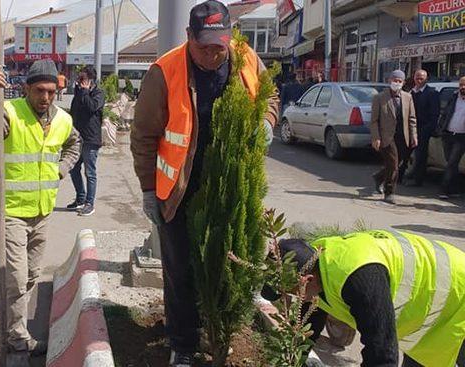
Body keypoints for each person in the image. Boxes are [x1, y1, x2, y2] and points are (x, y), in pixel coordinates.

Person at [130, 1, 279, 365]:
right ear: (188, 37)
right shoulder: (164, 72)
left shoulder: (246, 57)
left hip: (231, 185)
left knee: (230, 265)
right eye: (204, 47)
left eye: (219, 46)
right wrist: (149, 190)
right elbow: (144, 136)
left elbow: (270, 94)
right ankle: (182, 345)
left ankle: (221, 332)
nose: (213, 54)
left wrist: (268, 121)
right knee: (181, 272)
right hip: (180, 190)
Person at [0, 60, 81, 354]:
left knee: (31, 275)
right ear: (27, 88)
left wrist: (61, 169)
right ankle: (17, 337)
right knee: (16, 279)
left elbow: (74, 145)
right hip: (12, 211)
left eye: (51, 92)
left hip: (43, 210)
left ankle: (11, 323)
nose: (46, 98)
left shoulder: (63, 120)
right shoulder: (9, 111)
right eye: (40, 91)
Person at [262, 230, 465, 367]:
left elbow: (382, 354)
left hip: (457, 292)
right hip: (429, 312)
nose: (292, 299)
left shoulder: (358, 279)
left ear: (307, 279)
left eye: (290, 292)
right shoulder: (314, 262)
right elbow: (306, 331)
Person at [370, 69, 418, 204]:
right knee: (393, 164)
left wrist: (414, 135)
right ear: (389, 81)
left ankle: (379, 177)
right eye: (394, 80)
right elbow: (374, 121)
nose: (397, 83)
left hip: (403, 136)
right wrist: (376, 137)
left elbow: (412, 118)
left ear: (403, 83)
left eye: (399, 81)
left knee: (396, 164)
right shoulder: (379, 98)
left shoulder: (408, 97)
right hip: (386, 136)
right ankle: (389, 192)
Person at [67, 66, 105, 216]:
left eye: (82, 78)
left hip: (91, 138)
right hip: (78, 138)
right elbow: (74, 111)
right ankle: (80, 198)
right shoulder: (79, 92)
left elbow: (92, 107)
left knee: (90, 172)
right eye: (79, 78)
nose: (79, 81)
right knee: (74, 169)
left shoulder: (99, 93)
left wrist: (84, 91)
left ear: (90, 80)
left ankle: (90, 203)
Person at [406, 70, 439, 187]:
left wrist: (426, 130)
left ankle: (418, 180)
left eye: (422, 78)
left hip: (423, 129)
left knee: (420, 155)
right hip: (409, 128)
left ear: (426, 79)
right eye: (417, 78)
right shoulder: (411, 93)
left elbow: (434, 114)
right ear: (414, 78)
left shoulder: (432, 93)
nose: (419, 80)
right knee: (404, 153)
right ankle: (400, 176)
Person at [434, 75, 465, 199]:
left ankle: (444, 189)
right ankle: (455, 189)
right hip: (447, 134)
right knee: (451, 163)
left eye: (464, 85)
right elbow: (445, 113)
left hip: (461, 137)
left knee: (452, 162)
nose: (463, 87)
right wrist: (440, 129)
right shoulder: (453, 97)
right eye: (461, 85)